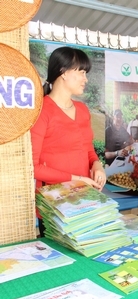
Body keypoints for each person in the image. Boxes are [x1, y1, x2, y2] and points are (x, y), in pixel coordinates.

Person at [30, 46, 106, 236]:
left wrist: (97, 164)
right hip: (54, 205)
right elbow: (34, 166)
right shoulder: (41, 111)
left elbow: (87, 148)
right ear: (63, 72)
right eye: (81, 72)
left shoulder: (82, 110)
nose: (85, 79)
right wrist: (79, 180)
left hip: (83, 201)